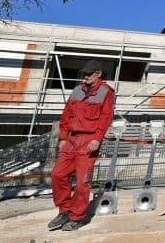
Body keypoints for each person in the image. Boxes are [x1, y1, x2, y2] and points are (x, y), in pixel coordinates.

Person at [48, 59, 115, 231]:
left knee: (81, 182)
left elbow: (106, 117)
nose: (85, 76)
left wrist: (97, 139)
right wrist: (63, 138)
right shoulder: (77, 91)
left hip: (88, 140)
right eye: (84, 73)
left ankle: (76, 217)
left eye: (89, 74)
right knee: (57, 174)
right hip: (71, 140)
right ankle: (64, 210)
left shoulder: (106, 92)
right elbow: (66, 115)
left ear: (98, 74)